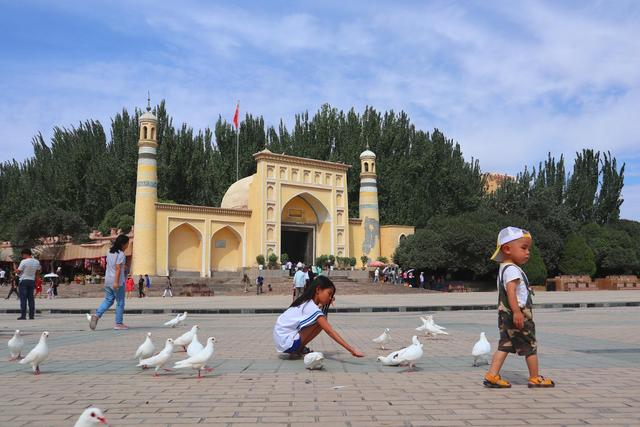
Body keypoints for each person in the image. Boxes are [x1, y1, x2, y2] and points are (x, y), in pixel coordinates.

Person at [483, 227, 555, 389]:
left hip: (505, 316)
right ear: (507, 249)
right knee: (530, 345)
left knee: (505, 344)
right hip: (518, 314)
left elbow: (514, 291)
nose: (528, 252)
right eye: (524, 248)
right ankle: (535, 378)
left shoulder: (505, 268)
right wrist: (517, 312)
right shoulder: (512, 270)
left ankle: (492, 375)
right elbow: (511, 292)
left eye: (528, 248)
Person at [273, 275, 364, 358]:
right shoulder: (311, 307)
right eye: (329, 294)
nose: (330, 298)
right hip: (287, 342)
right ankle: (297, 349)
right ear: (318, 290)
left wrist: (324, 303)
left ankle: (298, 349)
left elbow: (317, 313)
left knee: (320, 321)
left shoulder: (305, 301)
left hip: (281, 340)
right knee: (321, 323)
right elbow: (330, 331)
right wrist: (352, 350)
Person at [89, 234, 130, 331]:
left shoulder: (109, 252)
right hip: (117, 282)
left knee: (109, 300)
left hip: (107, 280)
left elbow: (112, 265)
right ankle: (118, 323)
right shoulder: (121, 254)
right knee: (120, 302)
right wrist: (116, 282)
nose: (128, 246)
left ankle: (96, 315)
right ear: (123, 244)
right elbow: (118, 268)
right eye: (127, 244)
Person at [15, 248, 41, 320]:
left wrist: (15, 269)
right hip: (31, 281)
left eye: (22, 255)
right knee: (31, 299)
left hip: (23, 280)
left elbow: (19, 272)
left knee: (23, 299)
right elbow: (38, 272)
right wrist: (36, 281)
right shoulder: (37, 262)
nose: (22, 256)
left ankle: (23, 316)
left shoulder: (24, 261)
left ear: (25, 254)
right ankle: (31, 316)